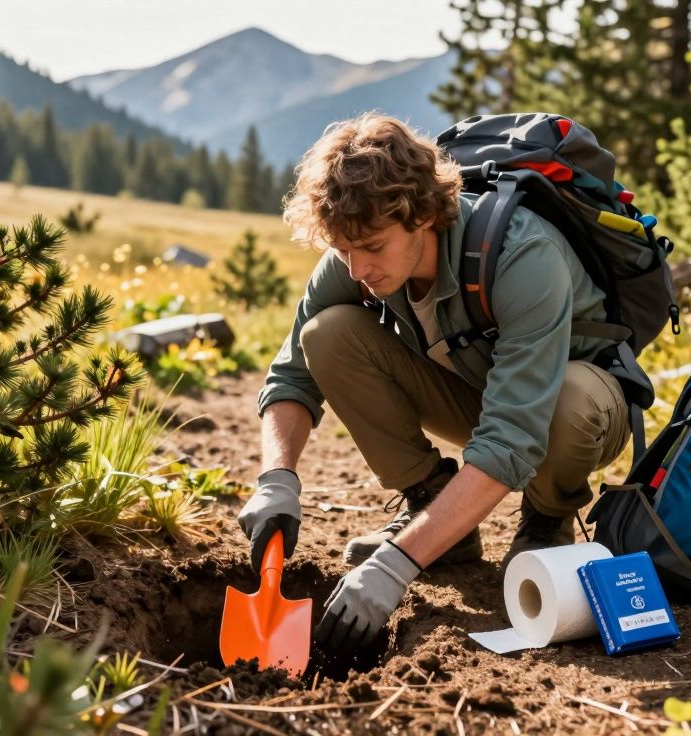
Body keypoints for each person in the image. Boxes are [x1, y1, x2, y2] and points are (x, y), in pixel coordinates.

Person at [237, 113, 632, 653]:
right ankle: (435, 505)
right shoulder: (356, 254)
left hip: (573, 412)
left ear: (422, 214)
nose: (356, 269)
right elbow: (291, 374)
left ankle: (546, 517)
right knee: (327, 334)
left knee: (571, 399)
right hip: (478, 394)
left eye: (372, 247)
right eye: (343, 250)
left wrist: (394, 566)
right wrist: (276, 479)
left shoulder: (521, 255)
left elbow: (511, 438)